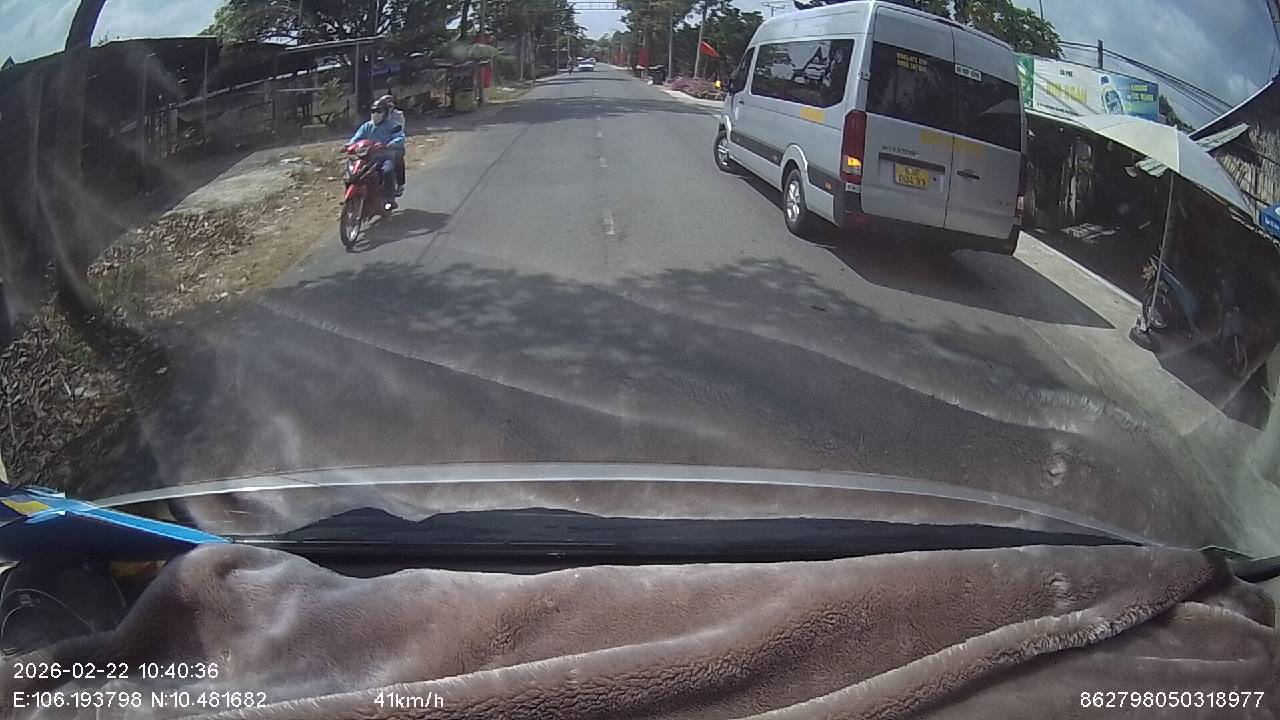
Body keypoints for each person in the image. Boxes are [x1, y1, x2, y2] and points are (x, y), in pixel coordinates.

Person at [346, 96, 406, 208]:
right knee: (352, 172)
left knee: (387, 171)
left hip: (385, 156)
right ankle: (350, 197)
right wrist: (349, 145)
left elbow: (399, 137)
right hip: (368, 156)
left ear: (385, 113)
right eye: (373, 111)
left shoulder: (393, 125)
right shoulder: (367, 126)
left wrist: (391, 143)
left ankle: (389, 198)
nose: (375, 114)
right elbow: (357, 137)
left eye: (379, 111)